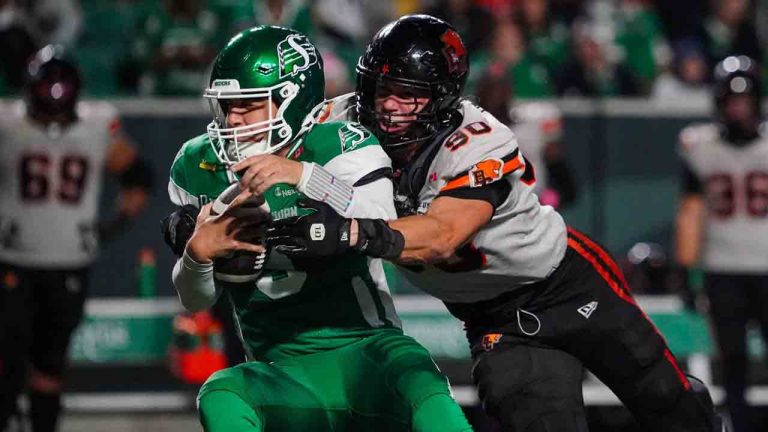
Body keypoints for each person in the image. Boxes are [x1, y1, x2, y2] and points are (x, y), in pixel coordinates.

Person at [261, 15, 724, 432]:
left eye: (407, 94)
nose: (389, 107)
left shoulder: (478, 141)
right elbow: (261, 150)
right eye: (382, 91)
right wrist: (198, 209)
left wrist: (349, 231)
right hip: (491, 317)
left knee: (670, 406)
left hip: (565, 285)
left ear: (441, 96)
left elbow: (442, 237)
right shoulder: (340, 123)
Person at [161, 25, 471, 432]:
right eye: (228, 105)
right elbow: (195, 300)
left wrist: (304, 175)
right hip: (280, 368)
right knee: (221, 393)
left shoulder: (340, 145)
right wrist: (198, 255)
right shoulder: (197, 167)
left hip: (367, 352)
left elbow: (385, 225)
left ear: (291, 101)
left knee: (419, 380)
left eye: (249, 104)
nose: (233, 118)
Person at [0, 46, 152, 432]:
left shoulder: (95, 126)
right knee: (9, 360)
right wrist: (113, 223)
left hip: (64, 259)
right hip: (16, 258)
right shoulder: (9, 124)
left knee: (49, 366)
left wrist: (112, 223)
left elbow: (138, 175)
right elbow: (138, 177)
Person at [675, 55, 767, 432]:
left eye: (744, 101)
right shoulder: (700, 145)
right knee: (732, 362)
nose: (738, 109)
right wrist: (686, 266)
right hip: (722, 266)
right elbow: (691, 211)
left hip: (765, 263)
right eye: (732, 100)